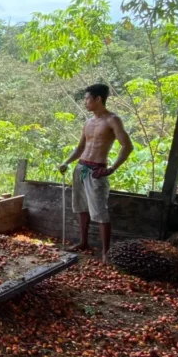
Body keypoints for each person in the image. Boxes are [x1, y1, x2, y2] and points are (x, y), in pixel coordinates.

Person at [58, 83, 133, 261]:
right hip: (81, 167)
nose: (85, 102)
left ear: (98, 99)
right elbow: (80, 148)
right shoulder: (88, 122)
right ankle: (83, 242)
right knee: (81, 207)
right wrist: (66, 162)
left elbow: (127, 147)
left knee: (99, 211)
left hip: (97, 170)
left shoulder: (112, 120)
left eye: (87, 99)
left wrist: (111, 169)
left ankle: (106, 252)